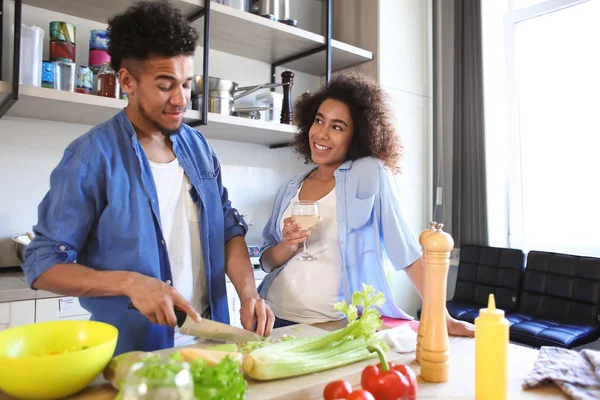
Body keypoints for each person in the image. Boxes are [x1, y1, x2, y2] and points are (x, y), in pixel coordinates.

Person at [21, 0, 274, 355]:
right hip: (135, 355)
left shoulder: (198, 148)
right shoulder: (91, 157)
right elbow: (43, 263)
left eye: (186, 84)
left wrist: (249, 293)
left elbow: (229, 231)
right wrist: (130, 283)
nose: (180, 99)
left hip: (214, 346)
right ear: (128, 81)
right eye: (165, 84)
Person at [258, 72, 474, 336]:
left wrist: (443, 316)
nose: (321, 134)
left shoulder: (370, 174)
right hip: (273, 316)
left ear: (357, 135)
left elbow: (406, 253)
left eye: (337, 127)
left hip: (331, 325)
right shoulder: (290, 187)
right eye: (319, 121)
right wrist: (286, 246)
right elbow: (268, 262)